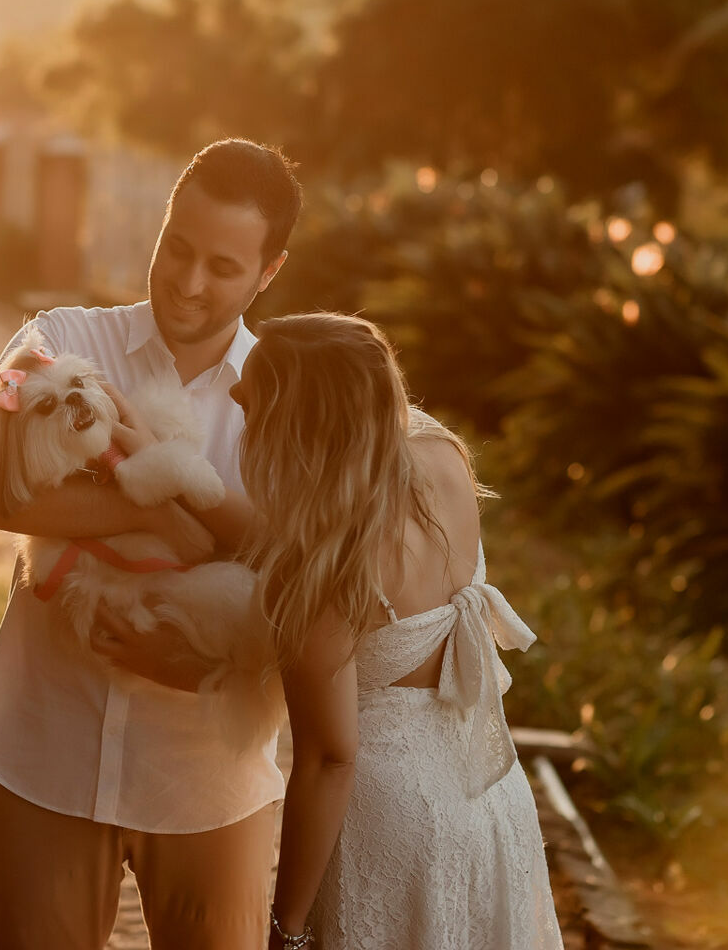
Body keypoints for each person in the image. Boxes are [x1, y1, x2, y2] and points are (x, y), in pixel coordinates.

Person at [0, 137, 302, 950]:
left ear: (269, 272)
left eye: (223, 266)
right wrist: (156, 519)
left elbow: (300, 573)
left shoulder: (287, 400)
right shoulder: (55, 336)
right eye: (177, 247)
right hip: (44, 752)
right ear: (162, 221)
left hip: (209, 779)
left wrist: (133, 505)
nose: (188, 281)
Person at [220, 312, 564, 950]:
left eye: (254, 396)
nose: (235, 397)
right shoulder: (442, 458)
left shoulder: (325, 558)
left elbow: (329, 759)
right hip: (489, 797)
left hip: (390, 830)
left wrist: (286, 928)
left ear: (299, 420)